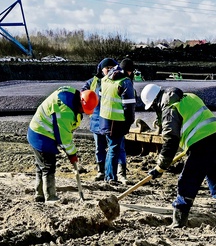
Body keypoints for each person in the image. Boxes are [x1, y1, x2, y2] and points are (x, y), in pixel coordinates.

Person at [141, 83, 216, 229]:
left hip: (203, 145)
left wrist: (160, 167)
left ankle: (179, 222)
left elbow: (171, 140)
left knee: (187, 182)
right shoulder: (189, 97)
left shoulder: (170, 107)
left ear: (155, 102)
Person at [27, 85, 99, 203]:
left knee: (41, 165)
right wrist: (72, 154)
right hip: (41, 134)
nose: (83, 113)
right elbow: (64, 138)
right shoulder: (65, 112)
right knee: (48, 165)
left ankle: (39, 194)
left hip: (38, 129)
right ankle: (50, 197)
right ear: (81, 103)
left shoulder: (71, 93)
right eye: (83, 110)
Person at [101, 58, 137, 186]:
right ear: (130, 71)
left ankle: (108, 175)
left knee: (111, 147)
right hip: (116, 121)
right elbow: (129, 106)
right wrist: (129, 123)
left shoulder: (105, 79)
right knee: (114, 148)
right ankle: (110, 177)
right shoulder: (125, 82)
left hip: (104, 119)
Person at [81, 58, 117, 181]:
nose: (110, 70)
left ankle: (113, 172)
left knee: (114, 147)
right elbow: (83, 94)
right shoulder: (93, 82)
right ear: (101, 70)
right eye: (108, 68)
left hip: (112, 120)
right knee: (99, 147)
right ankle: (101, 170)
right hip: (96, 119)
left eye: (113, 68)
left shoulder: (118, 81)